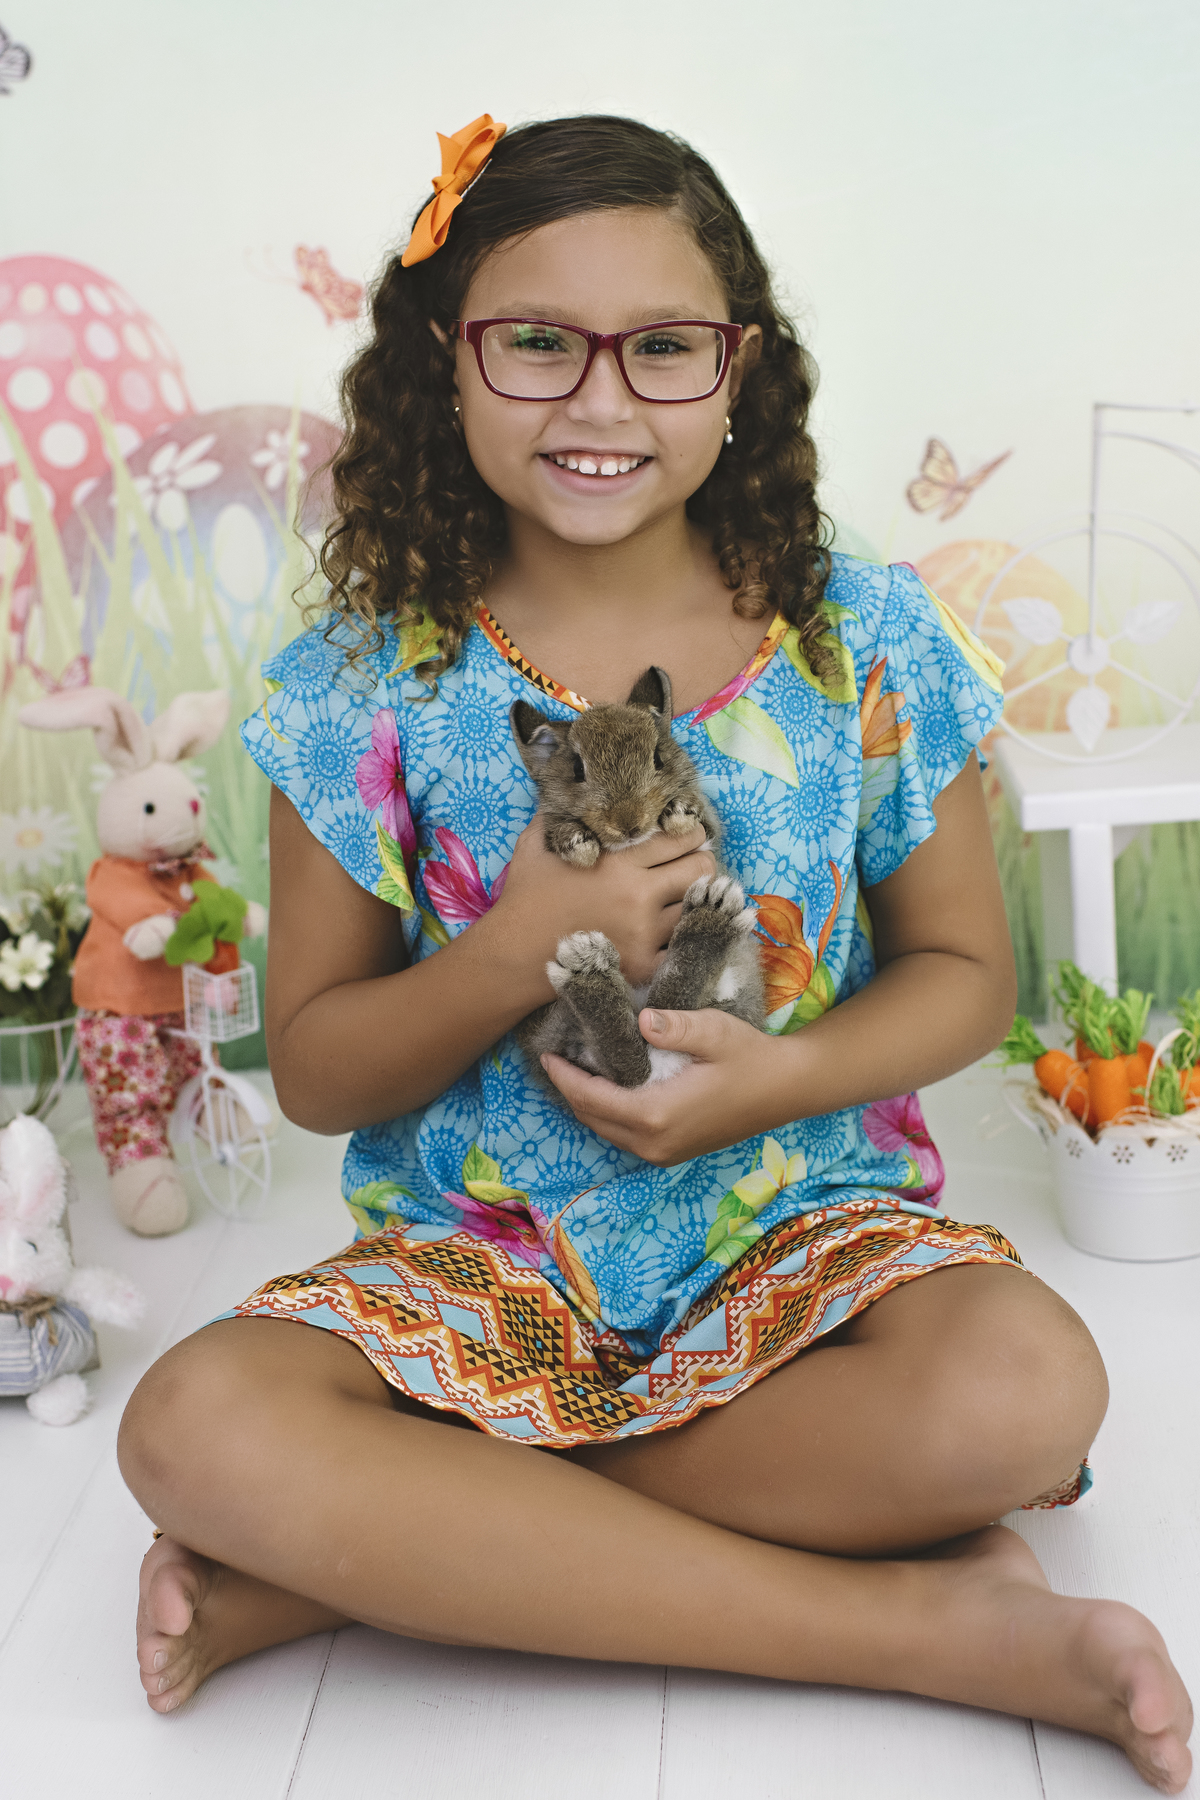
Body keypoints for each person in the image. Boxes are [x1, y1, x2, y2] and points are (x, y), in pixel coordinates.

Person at [117, 113, 1192, 1791]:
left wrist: (780, 1080)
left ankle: (372, 1566)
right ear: (445, 362)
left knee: (1025, 1395)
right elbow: (319, 1071)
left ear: (739, 367)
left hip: (802, 1241)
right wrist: (515, 947)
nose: (601, 401)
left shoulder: (863, 635)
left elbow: (966, 977)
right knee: (192, 1423)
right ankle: (926, 1629)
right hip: (486, 1264)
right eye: (537, 343)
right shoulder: (357, 680)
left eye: (663, 348)